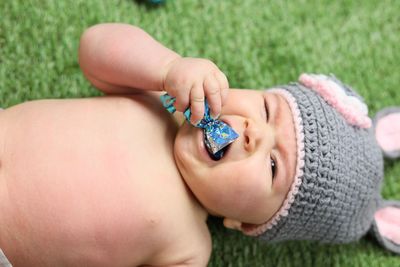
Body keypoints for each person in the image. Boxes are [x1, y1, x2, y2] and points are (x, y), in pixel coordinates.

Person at [0, 23, 399, 267]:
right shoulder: (160, 99)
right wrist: (167, 67)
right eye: (264, 108)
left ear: (245, 224)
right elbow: (93, 48)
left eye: (273, 166)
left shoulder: (188, 249)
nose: (252, 133)